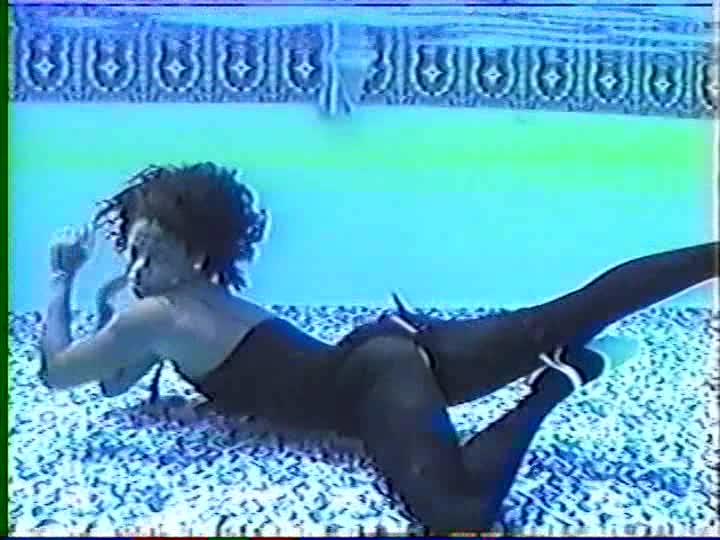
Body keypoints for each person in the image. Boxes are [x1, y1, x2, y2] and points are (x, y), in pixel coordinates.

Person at [39, 162, 718, 533]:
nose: (136, 267)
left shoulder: (155, 315)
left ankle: (557, 384)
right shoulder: (174, 308)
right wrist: (107, 305)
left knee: (458, 517)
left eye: (152, 253)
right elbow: (117, 381)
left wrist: (63, 279)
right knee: (573, 310)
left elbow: (59, 375)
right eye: (131, 251)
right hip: (385, 349)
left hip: (373, 386)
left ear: (196, 256)